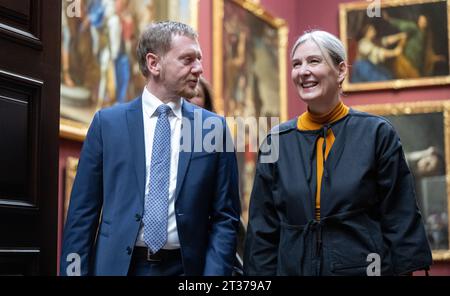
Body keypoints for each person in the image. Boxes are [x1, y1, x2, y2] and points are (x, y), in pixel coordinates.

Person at [243, 30, 432, 276]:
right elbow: (262, 232)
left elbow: (400, 216)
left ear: (341, 70)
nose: (303, 71)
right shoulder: (276, 142)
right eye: (296, 64)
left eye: (313, 61)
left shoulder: (376, 134)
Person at [61, 21, 241, 276]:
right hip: (119, 268)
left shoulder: (213, 128)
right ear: (154, 64)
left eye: (199, 59)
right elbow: (82, 215)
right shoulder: (107, 124)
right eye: (188, 59)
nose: (199, 69)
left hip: (186, 269)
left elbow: (225, 217)